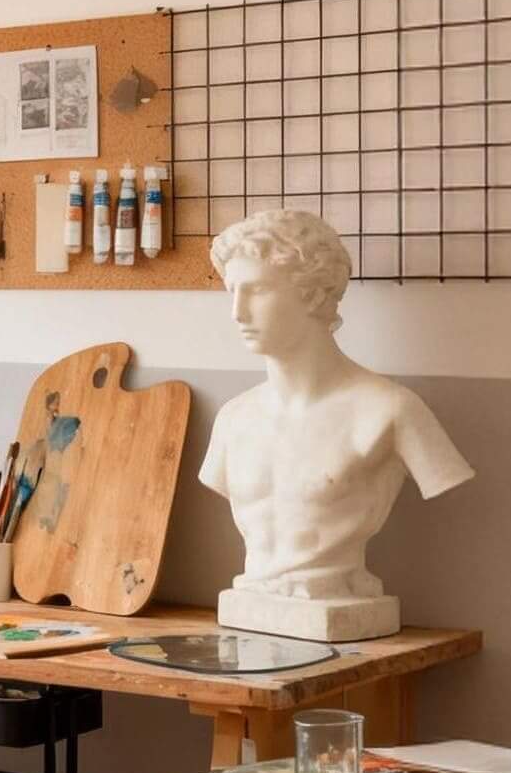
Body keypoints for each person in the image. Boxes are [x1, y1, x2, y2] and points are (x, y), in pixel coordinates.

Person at [200, 208, 473, 637]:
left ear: (311, 293)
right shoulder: (235, 418)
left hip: (338, 610)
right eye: (232, 291)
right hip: (245, 613)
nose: (237, 311)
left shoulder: (391, 410)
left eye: (256, 291)